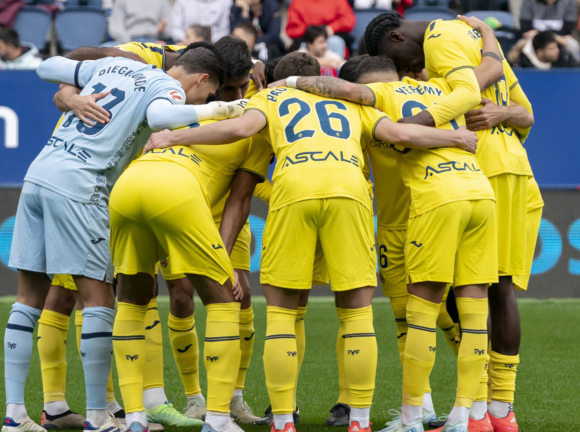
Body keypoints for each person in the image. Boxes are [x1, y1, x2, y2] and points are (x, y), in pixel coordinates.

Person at [142, 51, 479, 432]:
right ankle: (361, 421)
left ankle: (283, 420)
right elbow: (400, 133)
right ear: (320, 77)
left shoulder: (269, 98)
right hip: (350, 192)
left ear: (273, 77)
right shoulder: (348, 102)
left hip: (294, 191)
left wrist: (173, 136)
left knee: (283, 312)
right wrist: (455, 136)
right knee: (356, 311)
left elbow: (237, 130)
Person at [280, 18, 508, 432]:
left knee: (418, 317)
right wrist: (487, 35)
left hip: (426, 208)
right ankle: (466, 413)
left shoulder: (375, 101)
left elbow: (346, 93)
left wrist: (287, 81)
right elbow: (492, 71)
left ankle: (416, 415)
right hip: (463, 199)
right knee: (462, 313)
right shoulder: (444, 90)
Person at [1, 49, 239, 432]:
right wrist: (220, 112)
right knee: (98, 300)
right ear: (202, 80)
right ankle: (98, 416)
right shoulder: (167, 86)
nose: (200, 102)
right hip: (82, 184)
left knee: (28, 298)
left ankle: (14, 415)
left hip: (38, 174)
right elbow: (162, 117)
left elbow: (45, 66)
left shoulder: (115, 65)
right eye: (206, 97)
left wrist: (73, 98)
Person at [48, 38, 266, 427]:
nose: (233, 94)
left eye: (239, 88)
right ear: (207, 80)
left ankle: (134, 416)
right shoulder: (249, 121)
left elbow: (61, 63)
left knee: (130, 300)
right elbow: (239, 201)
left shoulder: (164, 104)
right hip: (175, 192)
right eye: (225, 89)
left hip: (127, 186)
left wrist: (67, 93)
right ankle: (217, 416)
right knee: (223, 302)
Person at [363, 12, 542, 432]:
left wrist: (419, 124)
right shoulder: (476, 42)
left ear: (397, 36)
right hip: (515, 170)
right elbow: (525, 113)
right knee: (497, 289)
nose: (411, 71)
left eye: (399, 59)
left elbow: (465, 94)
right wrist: (488, 36)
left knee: (462, 293)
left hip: (481, 169)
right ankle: (499, 411)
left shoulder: (440, 37)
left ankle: (474, 411)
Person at [286, 0, 355, 58]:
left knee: (335, 42)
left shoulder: (338, 1)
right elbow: (292, 29)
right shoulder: (297, 2)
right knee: (302, 47)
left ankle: (336, 72)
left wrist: (331, 28)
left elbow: (348, 21)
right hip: (307, 39)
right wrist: (312, 32)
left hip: (331, 36)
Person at [108, 0, 172, 43]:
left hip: (153, 41)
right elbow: (116, 29)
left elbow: (169, 31)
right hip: (127, 40)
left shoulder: (162, 2)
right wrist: (129, 43)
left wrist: (162, 31)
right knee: (103, 49)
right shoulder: (122, 1)